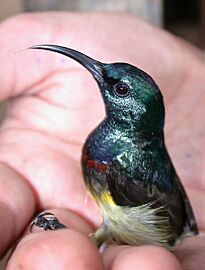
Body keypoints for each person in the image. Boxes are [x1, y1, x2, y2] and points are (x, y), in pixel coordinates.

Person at [0, 12, 204, 270]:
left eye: (120, 89)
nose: (98, 70)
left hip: (156, 229)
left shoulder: (125, 162)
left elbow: (160, 218)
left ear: (136, 115)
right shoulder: (127, 146)